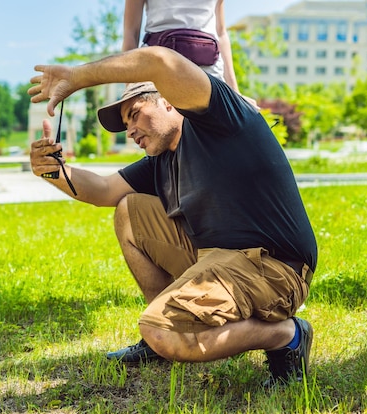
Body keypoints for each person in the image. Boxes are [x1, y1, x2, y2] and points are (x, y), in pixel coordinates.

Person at [28, 45, 317, 386]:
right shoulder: (161, 158)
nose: (130, 130)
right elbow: (103, 191)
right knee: (129, 211)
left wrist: (77, 77)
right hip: (216, 261)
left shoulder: (217, 119)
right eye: (125, 125)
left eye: (134, 114)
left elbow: (160, 60)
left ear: (168, 99)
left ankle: (286, 335)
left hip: (273, 268)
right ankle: (162, 335)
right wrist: (53, 172)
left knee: (161, 331)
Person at [123, 0, 239, 90]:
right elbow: (131, 33)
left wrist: (234, 90)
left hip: (211, 75)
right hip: (157, 73)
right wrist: (130, 88)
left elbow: (221, 33)